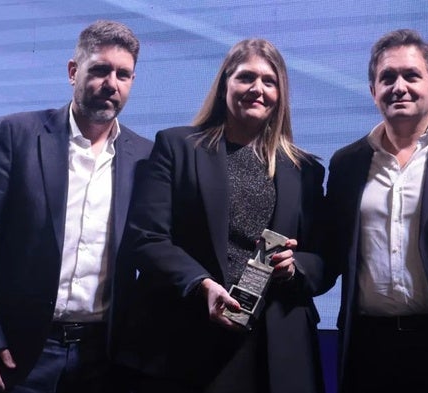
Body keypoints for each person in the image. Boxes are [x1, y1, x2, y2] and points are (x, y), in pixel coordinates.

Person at [0, 20, 152, 393]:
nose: (112, 84)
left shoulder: (145, 156)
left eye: (123, 74)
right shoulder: (16, 135)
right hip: (15, 353)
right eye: (100, 70)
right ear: (73, 71)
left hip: (102, 360)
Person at [114, 38, 326, 393]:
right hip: (181, 342)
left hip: (273, 350)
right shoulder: (177, 147)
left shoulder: (305, 171)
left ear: (281, 93)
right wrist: (202, 284)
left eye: (268, 81)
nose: (256, 89)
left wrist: (296, 266)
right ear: (225, 83)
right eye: (245, 77)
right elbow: (146, 239)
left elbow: (325, 256)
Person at [324, 28, 428, 393]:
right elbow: (332, 251)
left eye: (411, 75)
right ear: (373, 92)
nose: (399, 86)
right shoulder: (346, 164)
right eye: (387, 77)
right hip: (370, 347)